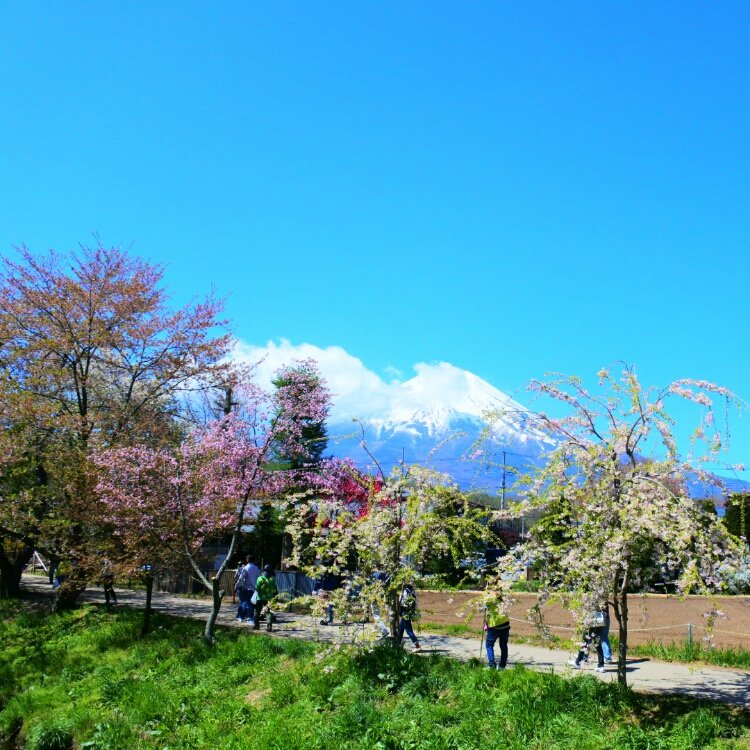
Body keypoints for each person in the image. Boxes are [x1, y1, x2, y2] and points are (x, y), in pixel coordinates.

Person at [569, 608, 607, 672]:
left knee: (586, 641)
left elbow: (588, 607)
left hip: (592, 621)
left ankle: (578, 662)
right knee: (596, 644)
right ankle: (601, 665)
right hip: (598, 620)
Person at [484, 597, 510, 669]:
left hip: (494, 625)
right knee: (503, 645)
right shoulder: (504, 596)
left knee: (489, 644)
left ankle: (491, 664)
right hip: (505, 624)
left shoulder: (488, 597)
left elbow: (484, 609)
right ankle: (502, 665)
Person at [253, 564, 277, 632]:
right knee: (268, 612)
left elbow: (257, 588)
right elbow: (274, 590)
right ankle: (269, 625)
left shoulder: (260, 579)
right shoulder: (272, 580)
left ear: (264, 571)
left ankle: (256, 626)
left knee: (257, 611)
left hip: (259, 598)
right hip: (269, 599)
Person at [396, 583, 421, 650]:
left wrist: (399, 609)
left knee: (408, 630)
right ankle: (397, 646)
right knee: (400, 630)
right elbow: (415, 603)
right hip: (408, 612)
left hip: (405, 612)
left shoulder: (404, 592)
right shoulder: (412, 592)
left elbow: (402, 603)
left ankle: (417, 646)